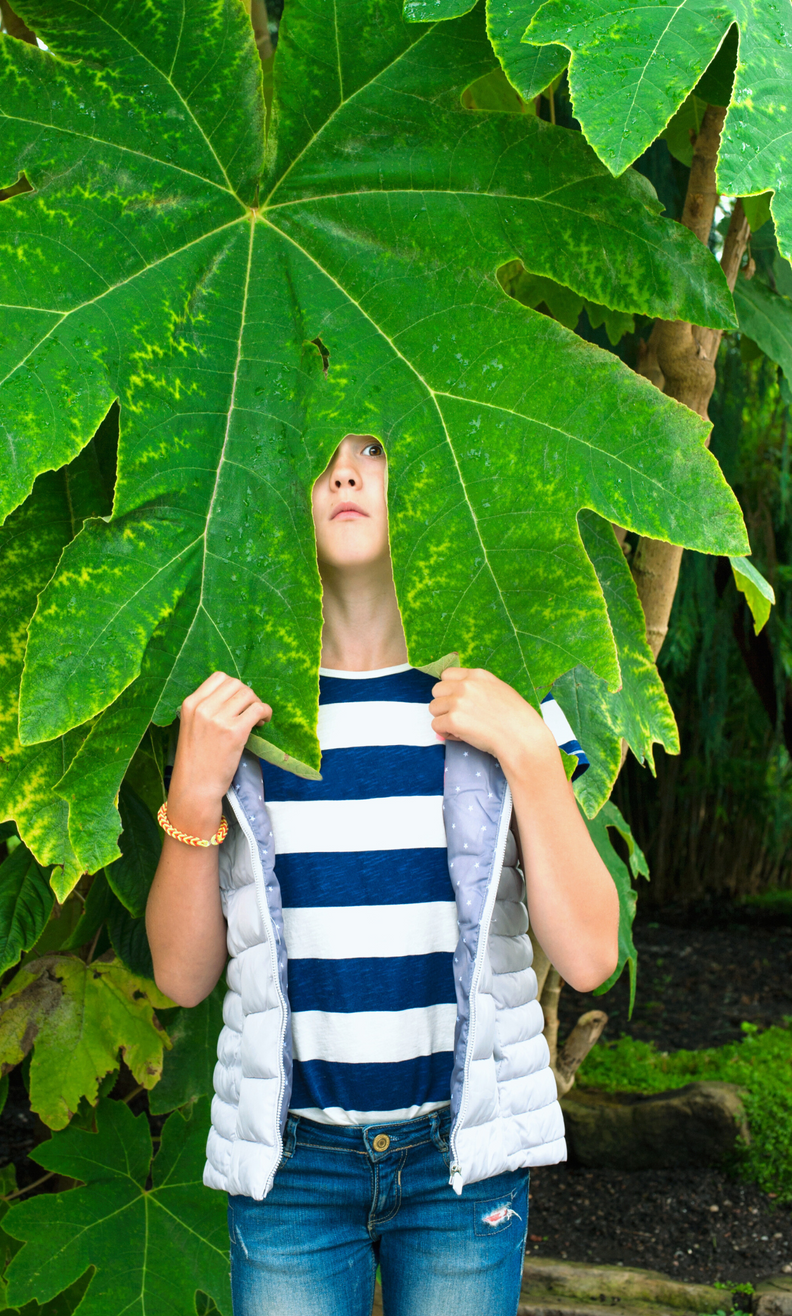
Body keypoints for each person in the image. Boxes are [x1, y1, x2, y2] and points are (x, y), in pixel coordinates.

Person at [145, 434, 619, 1316]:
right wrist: (194, 791)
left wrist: (526, 747)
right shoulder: (242, 712)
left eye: (373, 448)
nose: (347, 473)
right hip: (292, 1167)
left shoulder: (502, 699)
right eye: (321, 456)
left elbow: (590, 955)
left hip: (460, 1166)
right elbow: (179, 975)